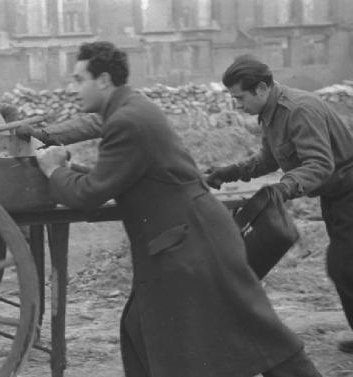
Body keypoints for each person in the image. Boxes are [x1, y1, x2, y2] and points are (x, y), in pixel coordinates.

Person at [35, 41, 321, 377]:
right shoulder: (130, 109)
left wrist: (55, 171)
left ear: (103, 81)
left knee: (256, 335)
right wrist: (70, 169)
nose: (73, 88)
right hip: (189, 242)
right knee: (146, 329)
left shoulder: (127, 120)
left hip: (192, 247)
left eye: (78, 78)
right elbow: (118, 176)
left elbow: (89, 195)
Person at [205, 55, 353, 353]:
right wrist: (232, 172)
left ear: (260, 88)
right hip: (336, 197)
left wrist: (283, 189)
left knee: (343, 267)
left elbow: (319, 164)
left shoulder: (298, 110)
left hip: (349, 193)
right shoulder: (272, 113)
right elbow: (269, 158)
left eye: (240, 97)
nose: (237, 105)